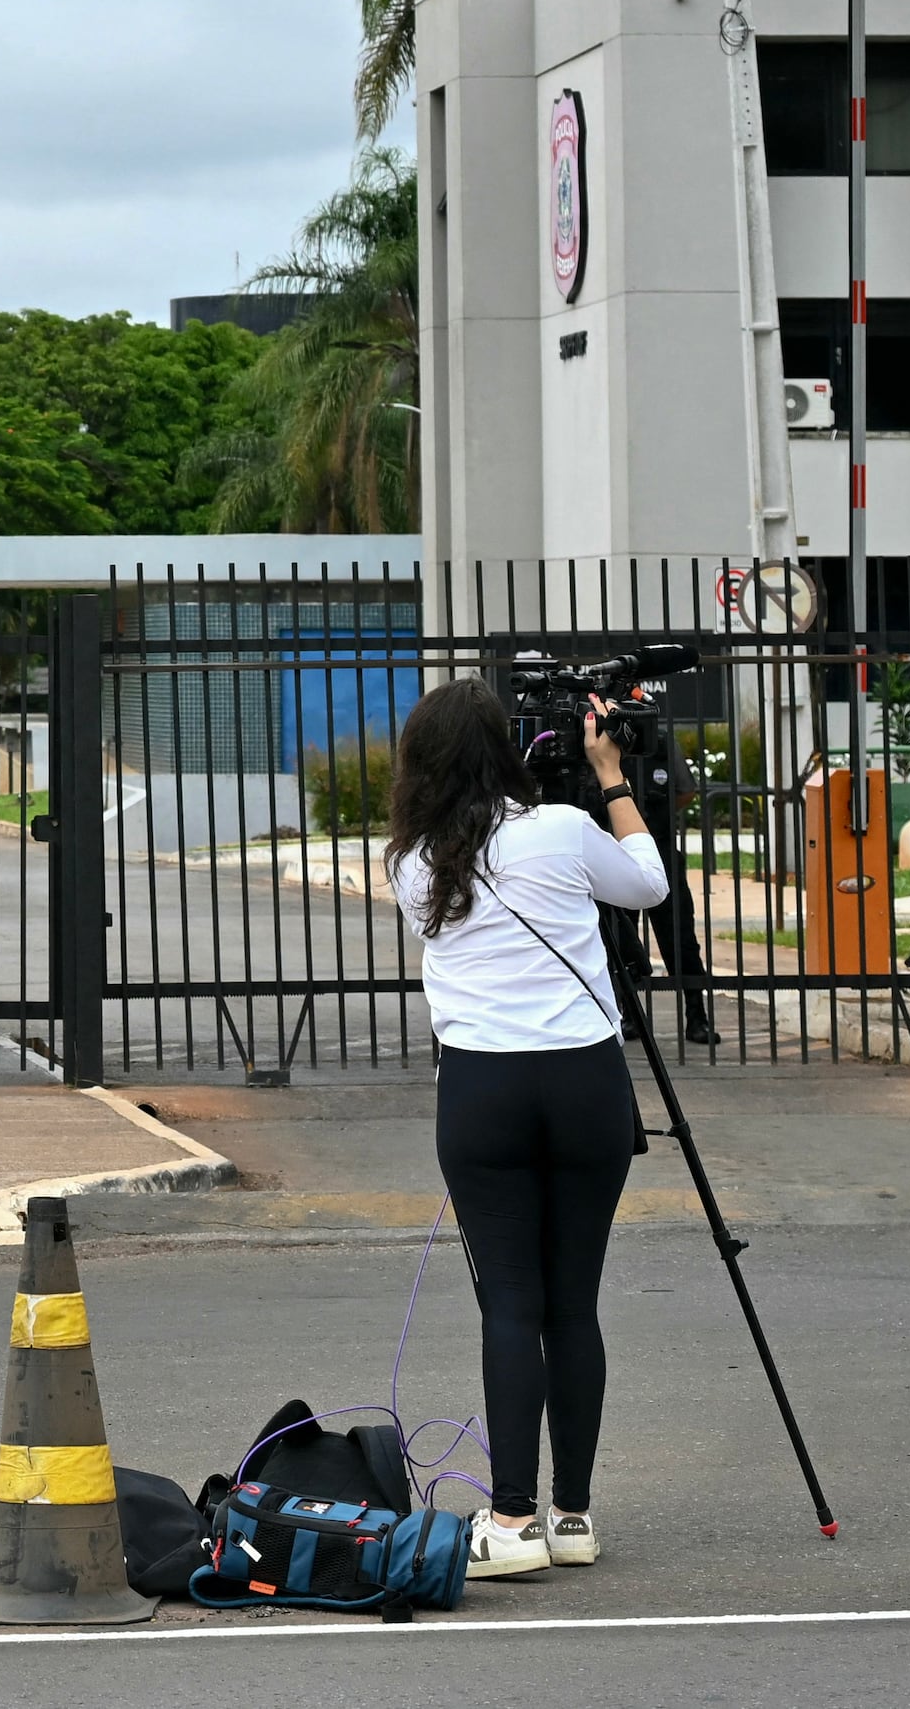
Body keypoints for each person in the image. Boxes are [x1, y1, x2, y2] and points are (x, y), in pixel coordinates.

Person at [385, 676, 670, 1584]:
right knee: (572, 1302)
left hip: (482, 1089)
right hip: (586, 1081)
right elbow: (649, 887)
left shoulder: (413, 861)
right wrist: (611, 776)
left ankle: (511, 1519)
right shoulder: (560, 829)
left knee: (510, 1303)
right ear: (507, 749)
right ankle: (573, 1514)